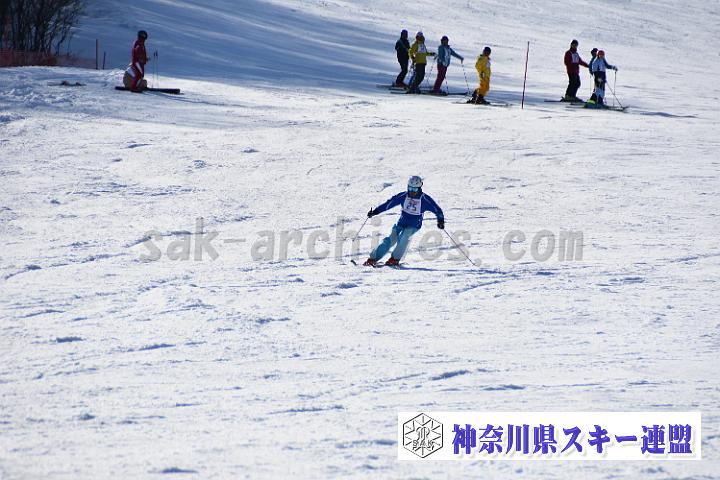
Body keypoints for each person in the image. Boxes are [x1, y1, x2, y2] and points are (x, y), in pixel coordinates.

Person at [363, 176, 444, 267]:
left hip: (414, 224)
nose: (412, 191)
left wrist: (440, 220)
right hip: (401, 223)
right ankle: (373, 258)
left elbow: (437, 210)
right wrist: (375, 211)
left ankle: (394, 259)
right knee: (391, 239)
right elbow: (389, 204)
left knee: (404, 236)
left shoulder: (424, 199)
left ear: (419, 188)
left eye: (414, 189)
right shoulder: (403, 196)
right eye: (410, 188)